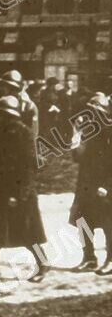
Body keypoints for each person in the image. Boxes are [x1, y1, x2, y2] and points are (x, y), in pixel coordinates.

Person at [0, 95, 48, 284]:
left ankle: (42, 263)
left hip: (18, 193)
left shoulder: (24, 133)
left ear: (8, 115)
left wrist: (19, 194)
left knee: (28, 231)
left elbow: (29, 166)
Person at [68, 92, 112, 273]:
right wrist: (76, 134)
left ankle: (111, 258)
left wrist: (107, 186)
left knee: (109, 221)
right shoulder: (89, 132)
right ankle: (89, 258)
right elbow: (77, 157)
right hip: (86, 182)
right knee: (82, 218)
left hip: (104, 184)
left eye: (96, 112)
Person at [0, 69, 38, 137]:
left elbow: (32, 135)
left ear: (13, 88)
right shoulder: (2, 103)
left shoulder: (28, 106)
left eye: (4, 86)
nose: (1, 89)